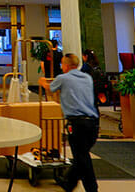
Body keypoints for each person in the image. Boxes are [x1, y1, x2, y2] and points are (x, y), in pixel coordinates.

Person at [39, 54, 100, 192]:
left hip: (77, 123)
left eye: (62, 64)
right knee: (82, 156)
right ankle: (68, 183)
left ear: (66, 65)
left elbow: (50, 88)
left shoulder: (63, 78)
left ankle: (92, 188)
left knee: (82, 159)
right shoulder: (87, 78)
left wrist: (42, 81)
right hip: (93, 123)